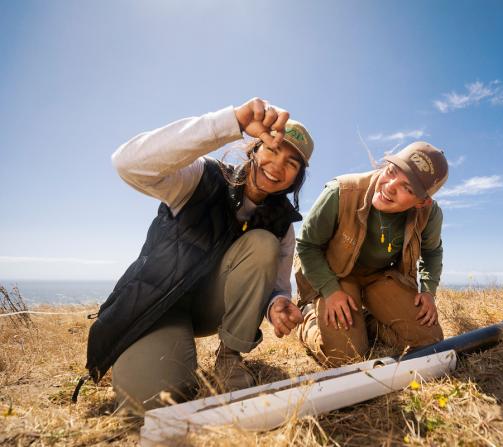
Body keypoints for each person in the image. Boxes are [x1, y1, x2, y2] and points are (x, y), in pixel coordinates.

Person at [85, 97, 311, 413]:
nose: (278, 166)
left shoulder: (282, 226)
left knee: (263, 244)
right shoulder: (199, 179)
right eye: (272, 150)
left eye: (292, 163)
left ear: (297, 178)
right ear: (254, 148)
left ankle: (229, 359)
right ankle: (167, 348)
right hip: (160, 306)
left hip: (210, 309)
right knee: (149, 401)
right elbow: (127, 163)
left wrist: (277, 304)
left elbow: (278, 286)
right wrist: (230, 122)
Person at [294, 142, 448, 367]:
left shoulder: (429, 214)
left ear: (422, 202)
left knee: (430, 341)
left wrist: (428, 291)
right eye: (392, 171)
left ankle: (365, 323)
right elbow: (307, 245)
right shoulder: (341, 192)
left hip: (379, 278)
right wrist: (329, 290)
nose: (390, 186)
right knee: (346, 358)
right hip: (335, 275)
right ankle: (308, 319)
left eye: (408, 188)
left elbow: (432, 252)